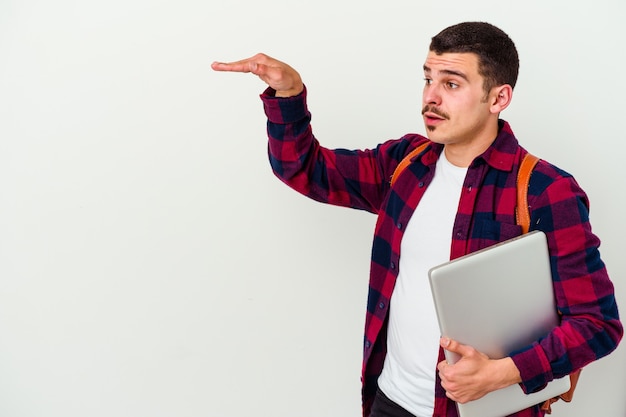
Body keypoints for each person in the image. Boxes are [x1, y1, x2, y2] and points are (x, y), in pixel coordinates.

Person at [211, 22, 623, 417]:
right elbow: (304, 169)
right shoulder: (405, 163)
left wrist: (500, 373)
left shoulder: (545, 190)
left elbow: (598, 325)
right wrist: (289, 94)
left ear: (498, 98)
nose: (431, 97)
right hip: (390, 400)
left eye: (451, 83)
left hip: (481, 410)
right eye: (428, 79)